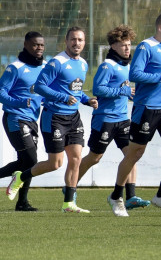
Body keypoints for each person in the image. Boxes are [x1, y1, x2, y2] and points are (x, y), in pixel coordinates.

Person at [6, 27, 98, 213]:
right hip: (54, 117)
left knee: (76, 159)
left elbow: (76, 92)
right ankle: (20, 177)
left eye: (80, 40)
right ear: (66, 41)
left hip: (74, 118)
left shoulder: (83, 64)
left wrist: (87, 100)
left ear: (84, 43)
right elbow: (40, 87)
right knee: (55, 163)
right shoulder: (57, 63)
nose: (76, 43)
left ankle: (68, 204)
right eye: (73, 39)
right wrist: (63, 98)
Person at [107, 12, 161, 217]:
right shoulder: (145, 47)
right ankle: (116, 196)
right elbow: (135, 74)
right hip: (146, 109)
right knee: (134, 154)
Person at [77, 25, 151, 210]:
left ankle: (131, 196)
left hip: (123, 119)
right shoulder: (107, 66)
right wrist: (123, 91)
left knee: (132, 154)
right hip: (105, 119)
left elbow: (129, 89)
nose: (127, 48)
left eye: (129, 45)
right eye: (123, 45)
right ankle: (70, 185)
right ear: (113, 46)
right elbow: (98, 89)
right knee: (94, 158)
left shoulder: (129, 66)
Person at [0, 31, 46, 211]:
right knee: (31, 159)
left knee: (28, 162)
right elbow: (1, 92)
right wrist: (19, 102)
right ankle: (21, 200)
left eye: (42, 45)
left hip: (33, 119)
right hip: (15, 118)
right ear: (26, 45)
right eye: (35, 45)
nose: (39, 48)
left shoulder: (45, 67)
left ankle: (22, 203)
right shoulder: (15, 68)